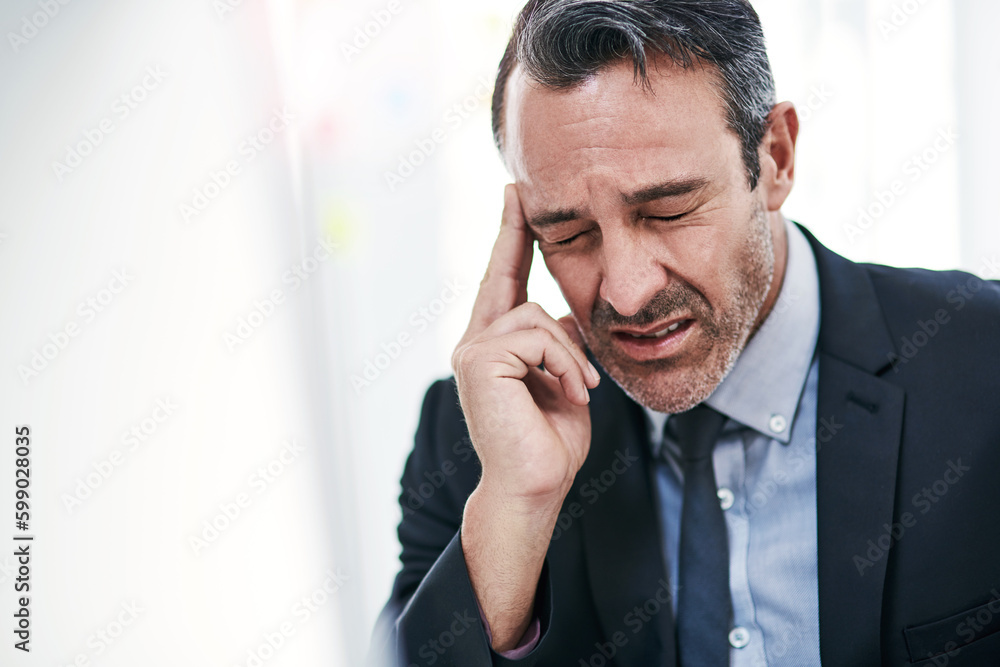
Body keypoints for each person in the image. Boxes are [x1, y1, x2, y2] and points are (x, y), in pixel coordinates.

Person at [370, 1, 1000, 665]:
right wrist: (515, 510)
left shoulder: (984, 365)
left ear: (776, 157)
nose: (626, 292)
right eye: (570, 233)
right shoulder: (477, 442)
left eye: (668, 210)